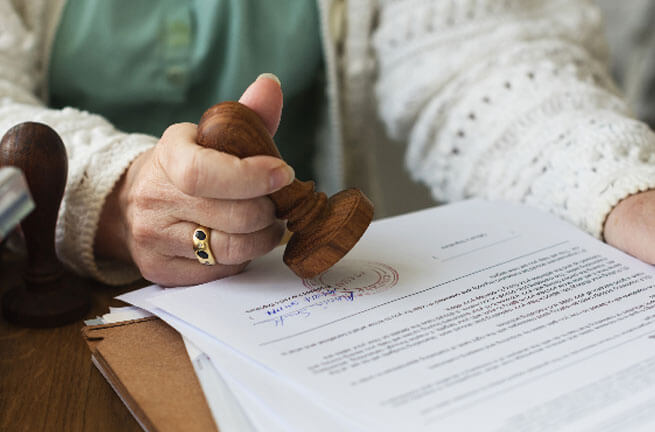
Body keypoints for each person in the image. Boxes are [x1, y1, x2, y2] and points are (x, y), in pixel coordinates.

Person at [1, 0, 654, 287]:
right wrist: (111, 198)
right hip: (53, 305)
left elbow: (476, 56)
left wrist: (615, 188)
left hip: (299, 297)